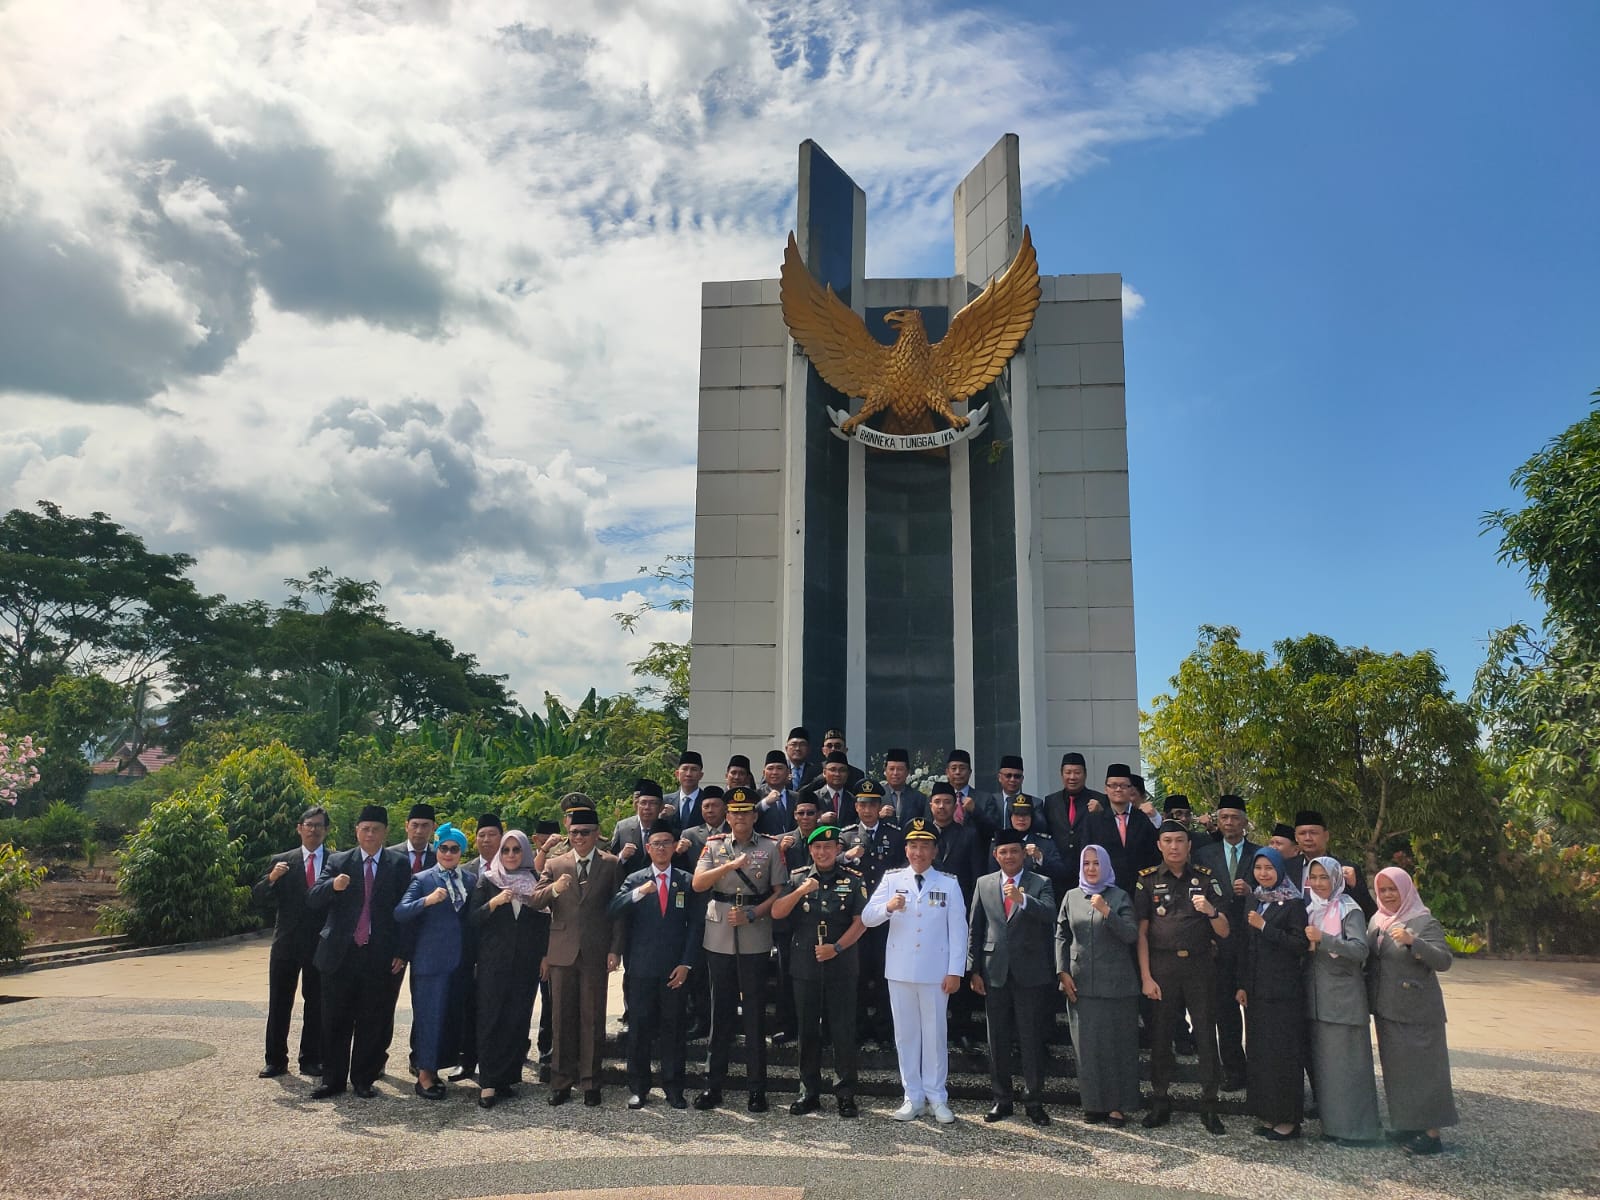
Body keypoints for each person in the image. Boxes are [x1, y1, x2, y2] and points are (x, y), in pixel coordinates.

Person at [863, 818, 967, 1125]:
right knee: (906, 1035)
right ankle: (913, 1096)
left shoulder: (948, 883)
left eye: (925, 846)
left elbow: (958, 931)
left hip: (936, 971)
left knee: (935, 1035)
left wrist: (956, 971)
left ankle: (937, 1097)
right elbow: (868, 917)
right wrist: (888, 908)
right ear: (906, 849)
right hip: (900, 969)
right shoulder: (892, 879)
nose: (918, 852)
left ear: (935, 851)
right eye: (913, 846)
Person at [691, 785, 787, 1112]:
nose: (740, 817)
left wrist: (754, 913)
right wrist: (728, 867)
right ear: (727, 816)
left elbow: (779, 890)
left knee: (755, 1015)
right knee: (721, 1012)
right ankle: (712, 1085)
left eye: (746, 812)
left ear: (755, 815)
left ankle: (756, 1089)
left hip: (755, 930)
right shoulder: (715, 846)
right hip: (719, 930)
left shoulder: (770, 848)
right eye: (735, 812)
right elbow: (699, 884)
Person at [306, 804, 410, 1099]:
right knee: (335, 1018)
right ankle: (332, 1079)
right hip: (341, 952)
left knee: (372, 1019)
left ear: (385, 832)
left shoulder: (398, 864)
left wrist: (403, 951)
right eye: (365, 829)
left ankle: (363, 1078)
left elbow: (404, 911)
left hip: (378, 953)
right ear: (356, 831)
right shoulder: (339, 861)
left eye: (376, 829)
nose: (370, 834)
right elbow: (313, 898)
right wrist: (332, 887)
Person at [1135, 820, 1230, 1133]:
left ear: (1190, 845)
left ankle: (1209, 1104)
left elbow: (1225, 930)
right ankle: (1160, 1101)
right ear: (1159, 845)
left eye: (1180, 841)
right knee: (1161, 1037)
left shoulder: (1205, 879)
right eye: (1168, 841)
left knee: (1205, 1034)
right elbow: (1142, 934)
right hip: (1162, 969)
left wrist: (1211, 912)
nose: (1174, 846)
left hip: (1199, 968)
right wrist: (1146, 977)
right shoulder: (1146, 881)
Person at [771, 823, 870, 1118]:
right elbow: (777, 912)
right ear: (810, 850)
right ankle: (809, 1091)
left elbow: (861, 921)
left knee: (842, 1030)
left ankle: (845, 1093)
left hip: (841, 963)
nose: (823, 852)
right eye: (817, 847)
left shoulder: (853, 879)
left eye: (829, 847)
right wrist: (802, 890)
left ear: (838, 850)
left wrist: (836, 948)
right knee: (808, 1031)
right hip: (805, 965)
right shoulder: (798, 877)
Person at [608, 819, 706, 1109]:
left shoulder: (687, 881)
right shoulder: (635, 879)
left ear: (676, 847)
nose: (661, 848)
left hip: (675, 969)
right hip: (640, 968)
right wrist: (639, 893)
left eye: (667, 843)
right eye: (656, 844)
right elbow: (613, 908)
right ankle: (639, 1087)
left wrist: (687, 963)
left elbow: (696, 926)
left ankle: (674, 1087)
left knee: (674, 1029)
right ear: (647, 848)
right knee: (639, 1028)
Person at [531, 802, 623, 1107]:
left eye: (585, 832)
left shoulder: (610, 864)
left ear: (596, 834)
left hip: (596, 951)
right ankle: (561, 1081)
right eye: (574, 832)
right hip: (562, 951)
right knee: (561, 1018)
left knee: (592, 1018)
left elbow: (618, 911)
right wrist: (555, 889)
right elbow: (534, 901)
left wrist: (615, 948)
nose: (579, 837)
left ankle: (591, 1082)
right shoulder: (556, 864)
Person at [968, 829, 1057, 1126]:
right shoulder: (984, 883)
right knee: (998, 1039)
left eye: (1014, 852)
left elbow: (1050, 915)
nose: (1009, 857)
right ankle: (1001, 1099)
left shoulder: (1040, 882)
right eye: (1003, 852)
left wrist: (1023, 900)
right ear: (996, 855)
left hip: (1030, 971)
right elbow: (975, 928)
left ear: (1024, 854)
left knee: (1031, 1039)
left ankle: (1034, 1100)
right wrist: (974, 969)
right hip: (994, 971)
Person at [1368, 866, 1457, 1155]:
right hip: (1386, 1007)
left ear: (1406, 890)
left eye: (1393, 889)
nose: (1388, 895)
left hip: (1418, 1008)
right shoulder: (1377, 920)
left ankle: (1431, 1133)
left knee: (1426, 1071)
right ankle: (1408, 1124)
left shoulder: (1423, 921)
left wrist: (1412, 942)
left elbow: (1443, 960)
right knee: (1398, 1070)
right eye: (1382, 890)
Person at [1056, 845, 1140, 1126]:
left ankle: (1117, 1106)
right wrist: (1062, 971)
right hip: (1081, 984)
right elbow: (1061, 935)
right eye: (1087, 863)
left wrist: (1107, 911)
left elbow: (1130, 935)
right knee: (1087, 1048)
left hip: (1117, 985)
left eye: (1096, 863)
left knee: (1117, 1047)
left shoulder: (1119, 896)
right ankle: (1093, 1104)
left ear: (1105, 865)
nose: (1092, 868)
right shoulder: (1071, 896)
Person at [394, 822, 476, 1099]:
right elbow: (401, 912)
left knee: (449, 1019)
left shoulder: (469, 880)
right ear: (437, 850)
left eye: (454, 849)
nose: (449, 853)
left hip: (459, 963)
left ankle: (438, 1068)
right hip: (429, 962)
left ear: (461, 852)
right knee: (429, 1018)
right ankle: (424, 1075)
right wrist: (426, 902)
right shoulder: (423, 879)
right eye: (444, 848)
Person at [1303, 855, 1381, 1144]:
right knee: (1328, 1068)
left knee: (1351, 1067)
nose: (1320, 884)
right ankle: (1334, 1126)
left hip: (1344, 999)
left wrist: (1325, 939)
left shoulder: (1349, 908)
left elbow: (1360, 950)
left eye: (1325, 877)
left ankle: (1359, 1129)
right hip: (1317, 998)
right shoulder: (1310, 907)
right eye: (1314, 878)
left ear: (1336, 879)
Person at [469, 829, 546, 1109]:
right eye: (506, 850)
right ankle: (488, 1081)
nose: (511, 855)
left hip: (525, 963)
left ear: (524, 852)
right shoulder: (488, 881)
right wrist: (495, 902)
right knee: (490, 1018)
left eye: (516, 850)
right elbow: (472, 919)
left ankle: (507, 1077)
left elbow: (543, 925)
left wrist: (544, 956)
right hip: (493, 962)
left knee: (517, 1019)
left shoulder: (535, 882)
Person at [1236, 847, 1310, 1139]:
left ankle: (1289, 1120)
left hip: (1283, 991)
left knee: (1283, 1055)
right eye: (1259, 868)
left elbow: (1299, 944)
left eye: (1269, 868)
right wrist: (1242, 984)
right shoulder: (1255, 899)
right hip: (1256, 990)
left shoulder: (1292, 903)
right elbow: (1246, 944)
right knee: (1261, 1054)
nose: (1264, 874)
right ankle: (1268, 1113)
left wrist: (1265, 927)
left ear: (1280, 870)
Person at [253, 805, 329, 1080]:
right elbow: (258, 897)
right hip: (286, 944)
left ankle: (311, 1058)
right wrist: (272, 878)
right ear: (299, 828)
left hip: (320, 944)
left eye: (319, 825)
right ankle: (275, 1060)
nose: (313, 829)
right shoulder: (282, 860)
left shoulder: (336, 861)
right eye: (309, 824)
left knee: (316, 1003)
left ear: (326, 830)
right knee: (280, 1003)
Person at [1194, 796, 1258, 1092]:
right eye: (1224, 817)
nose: (1229, 822)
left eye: (1235, 817)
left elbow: (1275, 887)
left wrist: (1252, 890)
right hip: (1219, 938)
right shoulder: (1205, 854)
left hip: (1253, 937)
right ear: (1217, 821)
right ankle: (1234, 1069)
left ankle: (1262, 1068)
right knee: (1224, 1009)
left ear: (1245, 821)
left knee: (1256, 1008)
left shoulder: (1260, 854)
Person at [841, 780, 904, 1045]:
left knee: (883, 973)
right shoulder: (845, 836)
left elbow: (903, 870)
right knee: (855, 973)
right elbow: (833, 867)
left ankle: (883, 1030)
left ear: (880, 807)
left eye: (872, 804)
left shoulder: (895, 834)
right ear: (856, 806)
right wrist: (846, 856)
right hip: (855, 915)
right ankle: (856, 1027)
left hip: (886, 915)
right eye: (863, 804)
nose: (867, 809)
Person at [1084, 763, 1159, 890]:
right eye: (1113, 785)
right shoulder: (1093, 821)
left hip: (1141, 889)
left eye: (1124, 786)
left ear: (1131, 789)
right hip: (1106, 889)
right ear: (1105, 789)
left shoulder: (1144, 819)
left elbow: (1157, 852)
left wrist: (1156, 818)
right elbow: (1085, 856)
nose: (1118, 789)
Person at [1291, 810, 1376, 918]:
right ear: (1296, 837)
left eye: (1313, 833)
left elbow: (1369, 913)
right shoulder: (1287, 869)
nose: (1308, 838)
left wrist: (1355, 886)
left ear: (1326, 836)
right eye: (1302, 833)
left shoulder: (1345, 869)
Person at [1041, 752, 1106, 881]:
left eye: (1077, 772)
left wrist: (1101, 813)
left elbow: (1108, 832)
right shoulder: (1051, 801)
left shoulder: (1100, 800)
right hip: (1057, 871)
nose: (1072, 777)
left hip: (1088, 872)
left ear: (1085, 774)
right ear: (1061, 774)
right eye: (1068, 772)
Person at [986, 795, 1066, 896]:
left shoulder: (1045, 843)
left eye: (1025, 815)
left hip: (1036, 898)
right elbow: (992, 876)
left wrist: (1040, 858)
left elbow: (1061, 873)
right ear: (1010, 817)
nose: (1021, 819)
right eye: (1017, 815)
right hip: (1005, 897)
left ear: (1032, 817)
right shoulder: (1000, 842)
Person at [610, 779, 673, 864]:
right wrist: (622, 856)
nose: (647, 807)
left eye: (653, 803)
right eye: (643, 803)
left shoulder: (670, 829)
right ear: (637, 805)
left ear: (661, 807)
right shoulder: (623, 828)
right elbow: (609, 862)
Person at [975, 755, 1035, 836]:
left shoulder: (1034, 802)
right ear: (999, 777)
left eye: (1017, 776)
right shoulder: (988, 800)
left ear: (1022, 779)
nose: (1012, 779)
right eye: (1008, 775)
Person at [878, 748, 928, 826]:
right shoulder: (877, 796)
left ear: (908, 772)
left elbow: (927, 824)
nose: (895, 773)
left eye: (900, 769)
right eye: (891, 769)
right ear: (885, 771)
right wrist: (878, 816)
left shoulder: (919, 798)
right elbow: (862, 822)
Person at [755, 749, 800, 836]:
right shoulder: (756, 795)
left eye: (779, 768)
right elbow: (749, 817)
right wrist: (765, 803)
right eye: (770, 769)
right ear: (764, 773)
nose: (775, 772)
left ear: (788, 772)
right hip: (765, 847)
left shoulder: (796, 797)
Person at [808, 751, 856, 818]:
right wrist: (820, 820)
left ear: (847, 774)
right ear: (824, 773)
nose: (837, 774)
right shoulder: (814, 798)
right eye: (833, 770)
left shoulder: (853, 800)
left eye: (842, 770)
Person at [666, 750, 706, 829]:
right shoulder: (665, 801)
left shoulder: (707, 800)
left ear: (701, 775)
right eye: (685, 769)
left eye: (694, 769)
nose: (688, 774)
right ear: (677, 774)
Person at [944, 748, 980, 825]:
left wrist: (975, 810)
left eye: (962, 768)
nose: (958, 772)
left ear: (970, 772)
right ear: (947, 772)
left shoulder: (985, 799)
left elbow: (992, 829)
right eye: (954, 768)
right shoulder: (936, 801)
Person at [784, 726, 817, 793]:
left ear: (808, 749)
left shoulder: (815, 771)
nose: (797, 748)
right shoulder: (777, 769)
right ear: (786, 748)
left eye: (802, 745)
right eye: (794, 744)